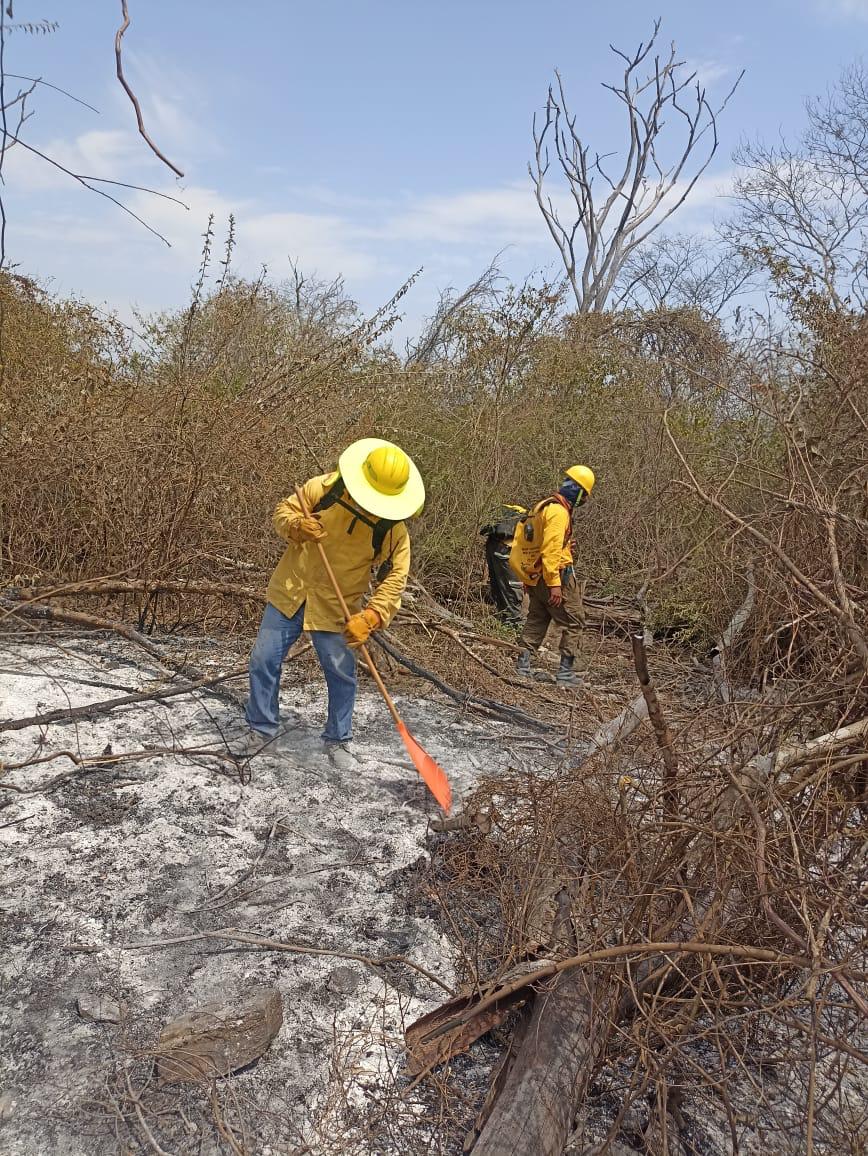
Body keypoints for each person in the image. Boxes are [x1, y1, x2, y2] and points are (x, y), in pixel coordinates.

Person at [243, 438, 424, 770]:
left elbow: (397, 577)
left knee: (342, 674)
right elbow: (284, 511)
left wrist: (370, 617)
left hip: (337, 607)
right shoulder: (324, 489)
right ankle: (262, 728)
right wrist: (297, 525)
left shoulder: (391, 529)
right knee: (263, 660)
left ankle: (338, 739)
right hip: (292, 591)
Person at [509, 465, 595, 687]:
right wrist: (555, 584)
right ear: (577, 491)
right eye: (584, 494)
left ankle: (523, 665)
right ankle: (565, 674)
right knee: (575, 620)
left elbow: (539, 542)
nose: (584, 499)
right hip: (555, 575)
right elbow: (550, 550)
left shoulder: (543, 505)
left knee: (537, 618)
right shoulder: (559, 512)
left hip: (536, 575)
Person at [479, 503, 527, 626]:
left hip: (496, 546)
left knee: (500, 587)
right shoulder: (542, 527)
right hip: (508, 551)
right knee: (513, 588)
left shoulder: (520, 518)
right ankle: (514, 624)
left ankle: (505, 619)